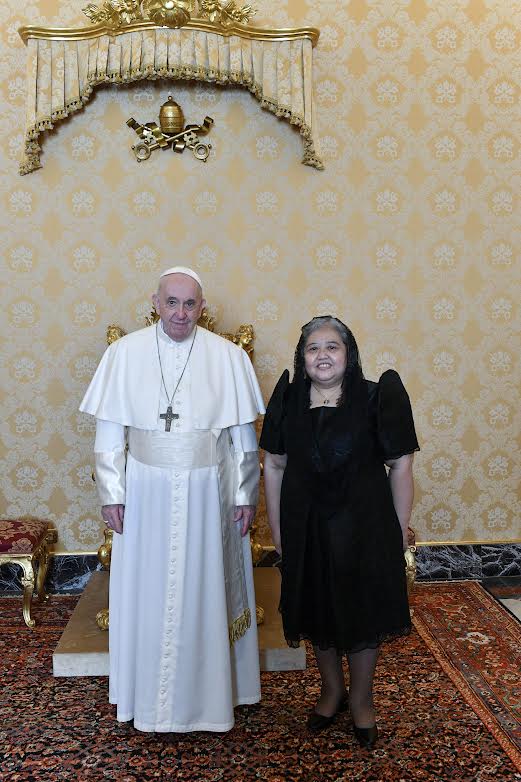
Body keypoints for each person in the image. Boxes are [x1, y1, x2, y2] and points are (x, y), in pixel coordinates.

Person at [80, 267, 265, 733]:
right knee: (149, 588)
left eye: (190, 304)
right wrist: (112, 493)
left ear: (203, 307)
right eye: (172, 302)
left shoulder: (227, 356)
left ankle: (209, 701)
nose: (181, 313)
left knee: (205, 586)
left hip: (209, 490)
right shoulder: (125, 353)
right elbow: (109, 433)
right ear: (156, 302)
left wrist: (245, 494)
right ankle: (147, 697)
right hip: (146, 490)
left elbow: (243, 437)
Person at [260, 316, 419, 749]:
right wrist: (279, 532)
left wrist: (398, 528)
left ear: (349, 354)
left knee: (362, 611)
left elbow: (400, 464)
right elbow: (274, 466)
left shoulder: (376, 396)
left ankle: (362, 700)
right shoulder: (288, 399)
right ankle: (332, 692)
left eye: (332, 346)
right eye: (313, 348)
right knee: (316, 609)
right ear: (302, 356)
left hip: (365, 525)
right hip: (306, 525)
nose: (323, 355)